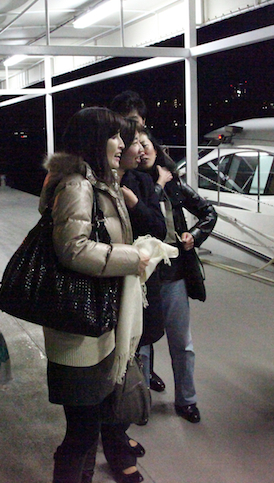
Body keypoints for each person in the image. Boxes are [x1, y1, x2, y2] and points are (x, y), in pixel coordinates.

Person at [41, 107, 149, 483]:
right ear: (94, 140)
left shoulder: (95, 182)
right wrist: (133, 258)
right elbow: (72, 249)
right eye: (114, 136)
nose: (122, 144)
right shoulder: (77, 185)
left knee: (88, 427)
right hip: (79, 328)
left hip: (96, 321)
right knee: (82, 432)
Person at [136, 128, 217, 424]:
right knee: (142, 345)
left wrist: (194, 235)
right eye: (136, 146)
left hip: (174, 274)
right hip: (144, 276)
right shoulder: (132, 184)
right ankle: (140, 402)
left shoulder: (175, 184)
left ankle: (187, 399)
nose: (142, 150)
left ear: (156, 148)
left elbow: (208, 212)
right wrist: (158, 184)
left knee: (181, 342)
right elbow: (144, 216)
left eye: (146, 144)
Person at [111, 91, 168, 395]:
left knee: (141, 339)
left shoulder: (143, 180)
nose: (140, 147)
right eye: (130, 136)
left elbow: (159, 228)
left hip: (141, 276)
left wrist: (135, 203)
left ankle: (138, 397)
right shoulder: (94, 184)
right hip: (111, 280)